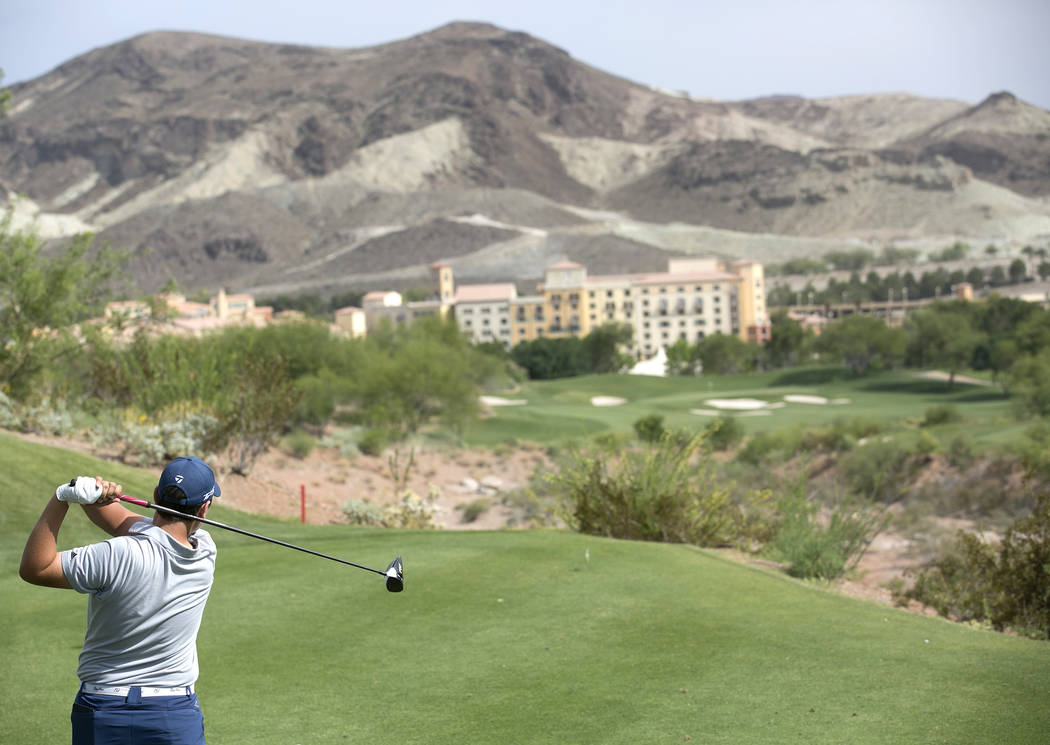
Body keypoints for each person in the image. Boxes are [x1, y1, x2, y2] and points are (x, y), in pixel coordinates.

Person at [20, 456, 222, 745]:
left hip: (102, 709)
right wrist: (95, 498)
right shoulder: (205, 552)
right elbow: (126, 524)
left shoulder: (115, 555)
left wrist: (64, 496)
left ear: (155, 495)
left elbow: (35, 568)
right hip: (173, 714)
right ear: (204, 508)